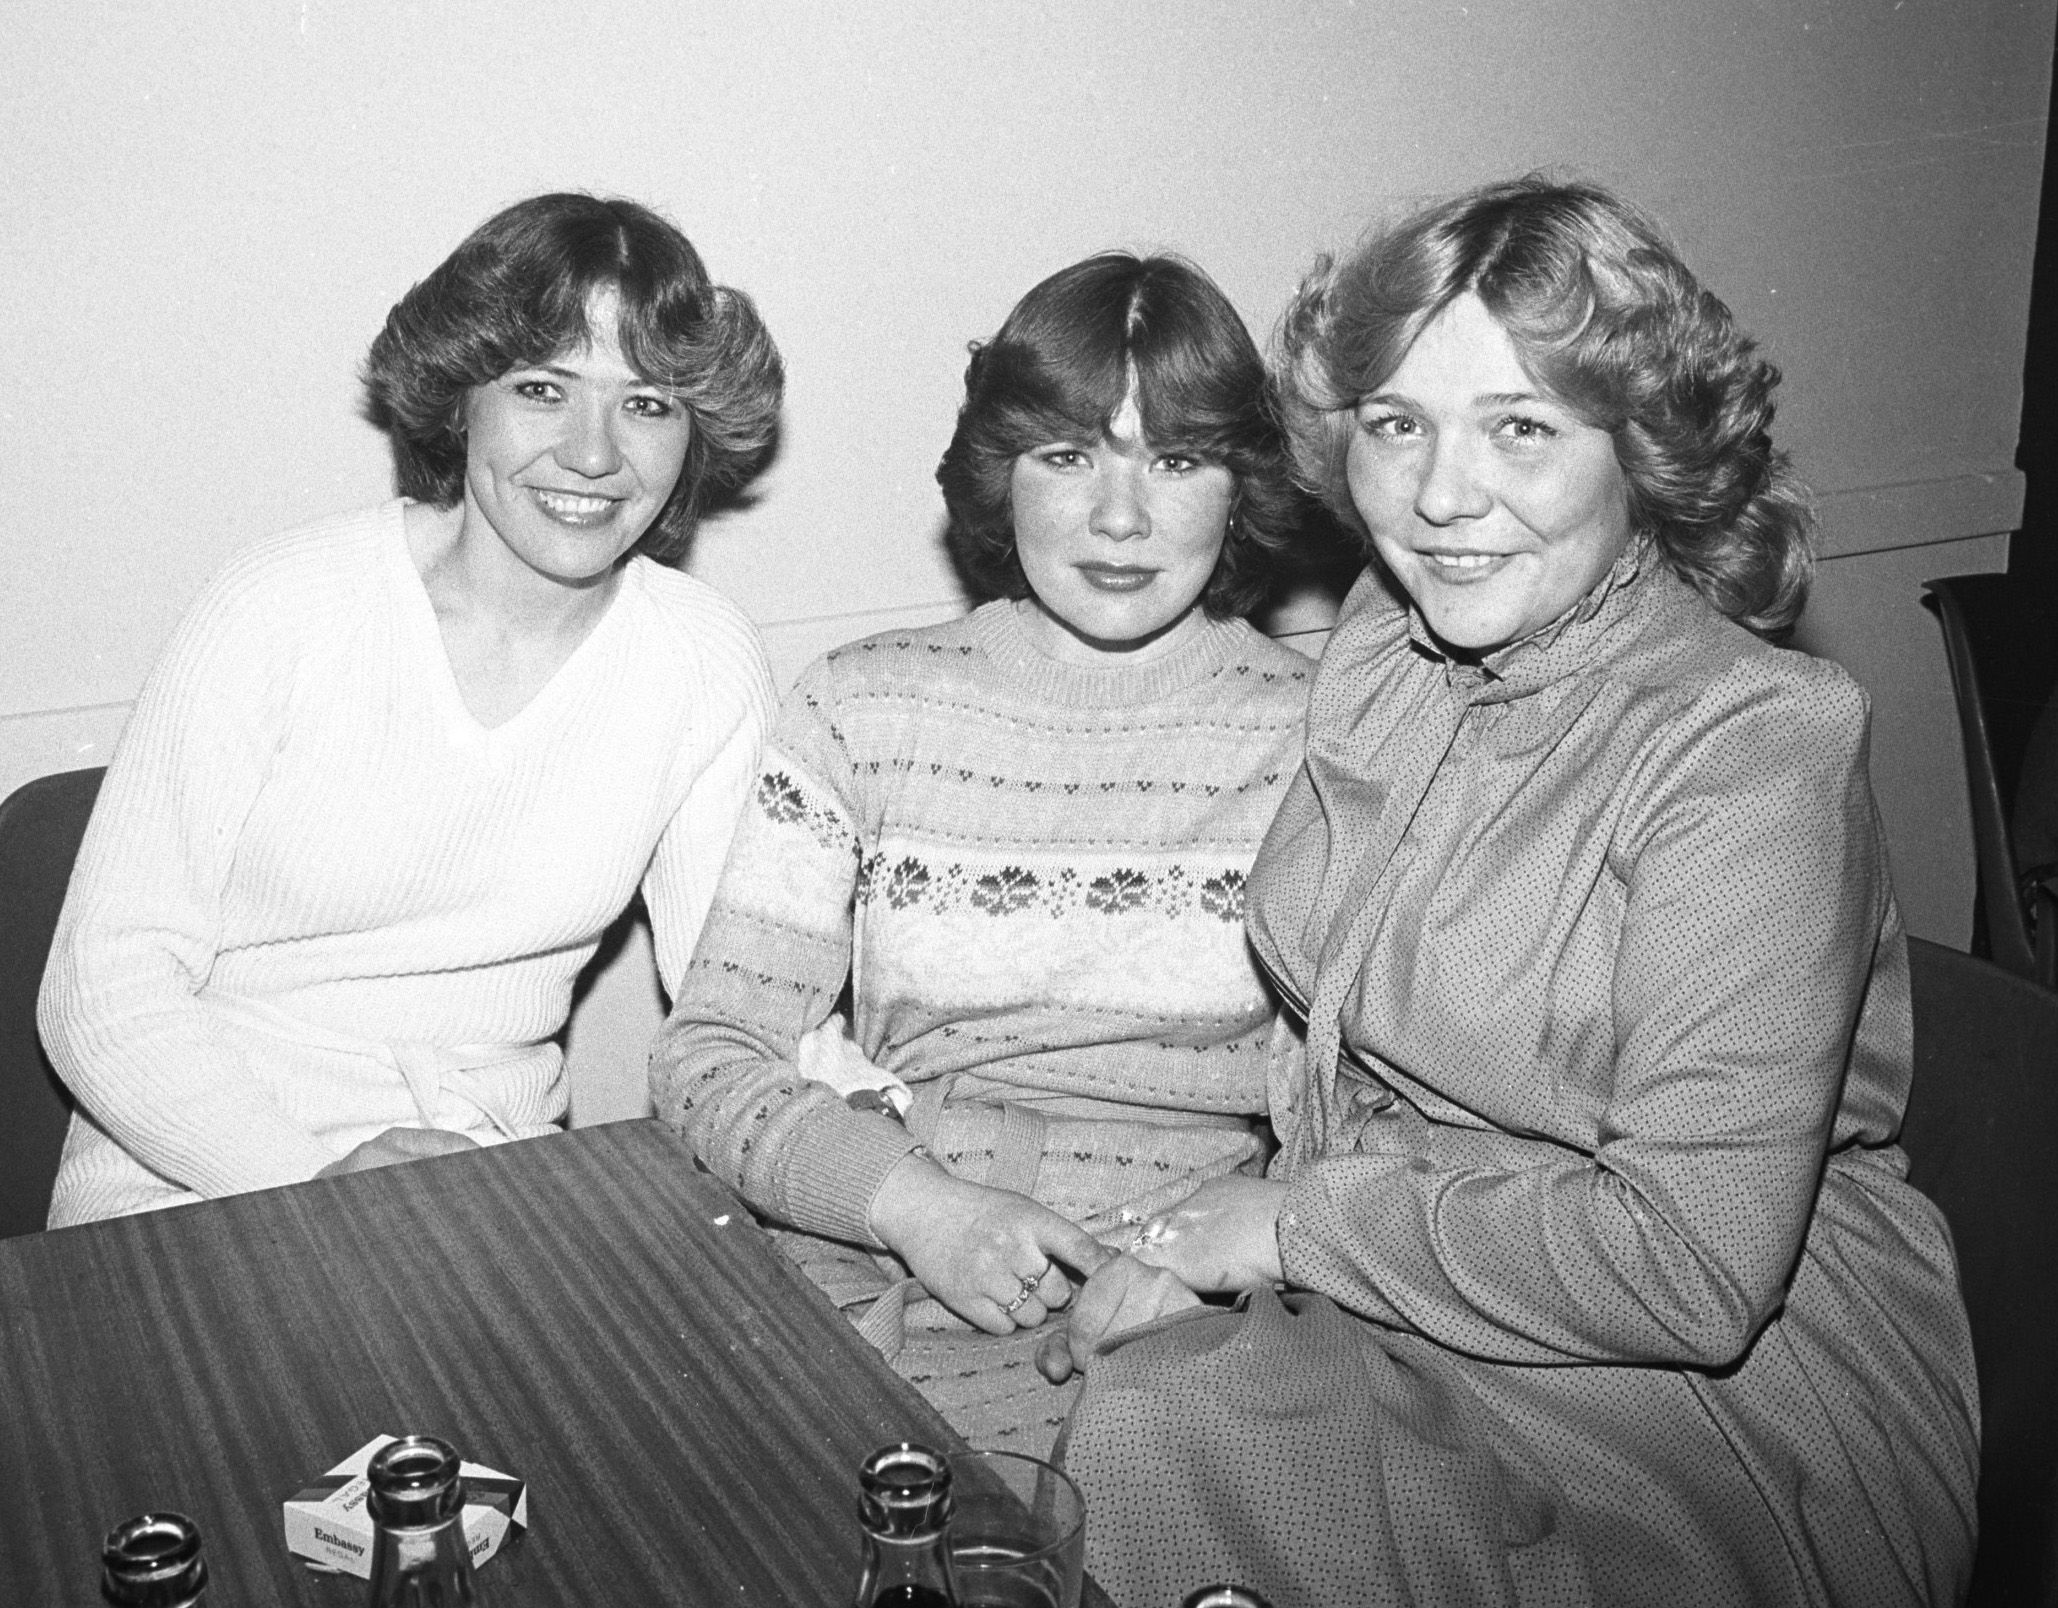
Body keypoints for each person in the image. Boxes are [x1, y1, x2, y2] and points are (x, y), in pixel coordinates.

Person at [1044, 177, 1979, 1608]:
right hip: (1425, 1258)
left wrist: (1283, 1231)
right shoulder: (1387, 637)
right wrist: (1251, 1212)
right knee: (1135, 1433)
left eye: (1521, 429)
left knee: (1184, 1449)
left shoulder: (1752, 741)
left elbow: (1692, 1267)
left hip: (1717, 1378)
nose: (1437, 497)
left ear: (1639, 449)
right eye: (1396, 424)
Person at [650, 252, 1311, 1458]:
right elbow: (707, 1058)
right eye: (1068, 457)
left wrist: (1209, 1270)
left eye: (1175, 460)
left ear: (1241, 485)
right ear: (999, 476)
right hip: (877, 1265)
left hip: (1184, 1322)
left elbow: (1375, 1125)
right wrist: (915, 1208)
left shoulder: (1324, 741)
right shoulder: (863, 705)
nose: (1121, 518)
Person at [39, 193, 782, 1226]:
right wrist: (304, 1183)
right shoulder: (280, 607)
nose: (595, 453)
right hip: (190, 1183)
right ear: (460, 397)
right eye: (541, 389)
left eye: (647, 404)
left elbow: (742, 1005)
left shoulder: (702, 660)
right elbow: (99, 994)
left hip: (484, 1189)